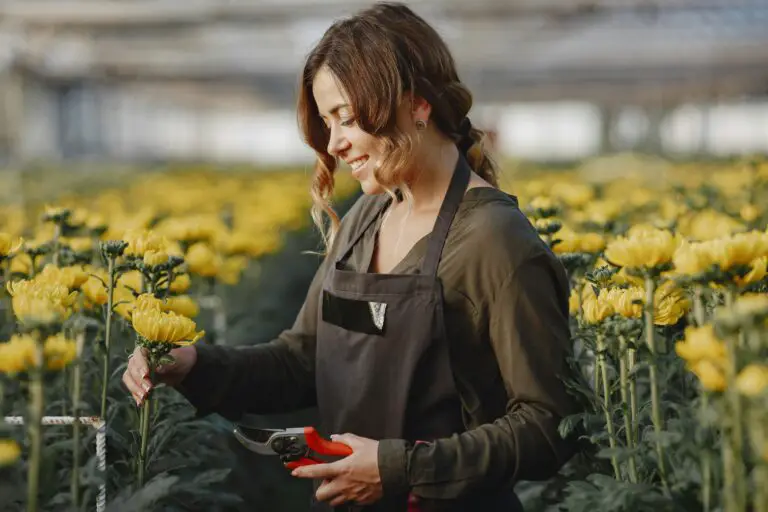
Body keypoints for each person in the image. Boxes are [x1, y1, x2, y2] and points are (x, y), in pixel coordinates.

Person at [123, 3, 581, 511]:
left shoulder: (493, 240)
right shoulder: (367, 217)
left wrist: (399, 469)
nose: (335, 143)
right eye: (326, 121)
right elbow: (302, 360)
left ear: (417, 104)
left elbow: (548, 425)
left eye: (345, 117)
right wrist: (192, 365)